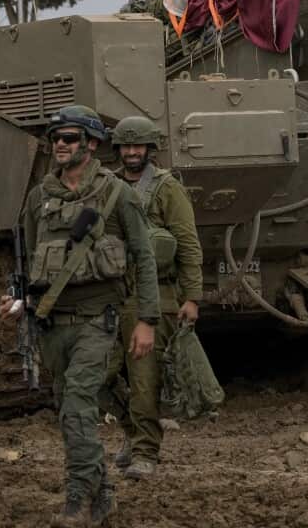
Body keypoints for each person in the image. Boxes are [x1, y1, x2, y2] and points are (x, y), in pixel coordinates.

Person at [0, 105, 159, 527]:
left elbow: (143, 258)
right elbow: (32, 263)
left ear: (90, 143)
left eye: (69, 138)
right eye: (55, 139)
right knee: (70, 409)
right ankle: (102, 491)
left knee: (77, 407)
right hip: (53, 325)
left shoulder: (116, 194)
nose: (60, 145)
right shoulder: (40, 197)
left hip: (96, 320)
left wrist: (147, 320)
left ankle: (77, 501)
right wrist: (18, 302)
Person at [106, 115, 204, 480]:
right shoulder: (109, 186)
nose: (132, 152)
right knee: (99, 375)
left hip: (154, 295)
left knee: (144, 380)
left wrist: (192, 297)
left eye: (138, 146)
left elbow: (189, 245)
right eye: (126, 146)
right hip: (110, 295)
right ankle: (134, 432)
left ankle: (146, 451)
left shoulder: (166, 189)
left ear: (150, 148)